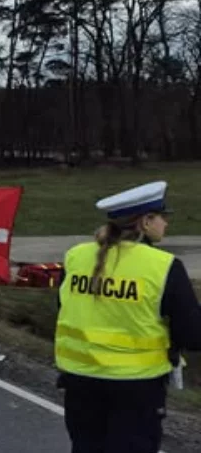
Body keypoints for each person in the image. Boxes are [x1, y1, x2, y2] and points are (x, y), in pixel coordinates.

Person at [54, 180, 201, 453]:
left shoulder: (75, 257)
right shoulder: (163, 266)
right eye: (162, 218)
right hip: (136, 388)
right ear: (146, 222)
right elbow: (193, 334)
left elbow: (65, 306)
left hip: (80, 382)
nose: (166, 224)